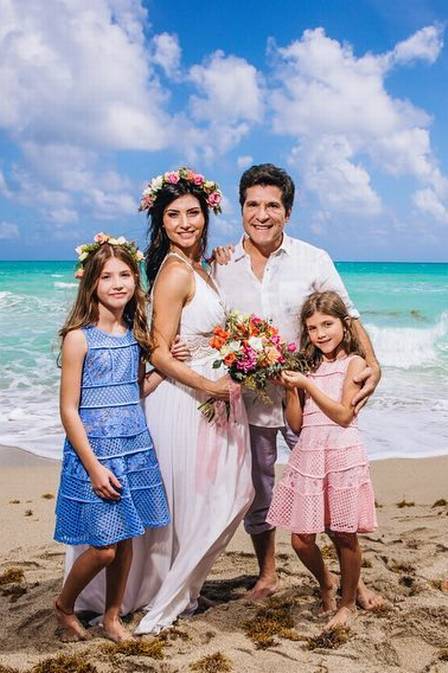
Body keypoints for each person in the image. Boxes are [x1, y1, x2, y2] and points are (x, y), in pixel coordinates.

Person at [213, 163, 382, 607]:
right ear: (241, 208)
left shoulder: (314, 258)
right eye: (253, 205)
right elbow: (207, 326)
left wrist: (373, 363)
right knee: (258, 490)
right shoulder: (221, 265)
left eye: (272, 206)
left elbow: (348, 315)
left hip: (307, 402)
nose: (262, 215)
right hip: (246, 402)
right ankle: (267, 574)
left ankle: (354, 583)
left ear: (287, 212)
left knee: (328, 488)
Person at [128, 167, 254, 634]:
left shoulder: (199, 266)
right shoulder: (175, 272)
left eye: (193, 213)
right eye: (174, 215)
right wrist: (209, 385)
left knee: (226, 495)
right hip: (186, 400)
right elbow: (159, 351)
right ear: (161, 222)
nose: (185, 222)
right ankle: (170, 593)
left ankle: (182, 587)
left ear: (206, 215)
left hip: (212, 395)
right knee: (201, 499)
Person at [54, 234, 170, 642]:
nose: (118, 283)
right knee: (104, 548)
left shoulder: (134, 335)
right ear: (91, 283)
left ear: (136, 281)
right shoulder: (79, 337)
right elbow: (69, 410)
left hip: (133, 447)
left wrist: (165, 370)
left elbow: (133, 391)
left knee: (126, 539)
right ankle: (64, 605)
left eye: (125, 275)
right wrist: (93, 467)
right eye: (106, 276)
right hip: (96, 454)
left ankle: (112, 617)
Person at [267, 291, 377, 629]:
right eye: (313, 328)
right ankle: (326, 581)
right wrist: (291, 389)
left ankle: (347, 603)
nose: (320, 334)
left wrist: (307, 385)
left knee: (344, 534)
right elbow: (296, 424)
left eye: (327, 324)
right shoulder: (309, 366)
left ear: (344, 324)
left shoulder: (354, 364)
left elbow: (343, 415)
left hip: (341, 454)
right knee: (301, 539)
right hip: (310, 453)